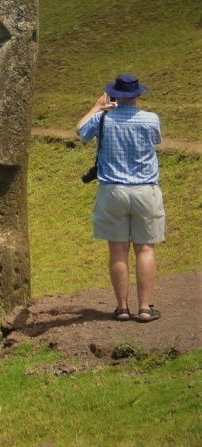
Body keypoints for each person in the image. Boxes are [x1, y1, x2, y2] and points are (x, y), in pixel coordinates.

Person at [76, 73, 164, 323]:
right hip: (145, 189)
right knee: (145, 248)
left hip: (112, 190)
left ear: (115, 94)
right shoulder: (151, 119)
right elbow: (156, 140)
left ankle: (122, 308)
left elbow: (80, 131)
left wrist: (97, 107)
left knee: (117, 250)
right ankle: (144, 308)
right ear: (137, 94)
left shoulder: (103, 119)